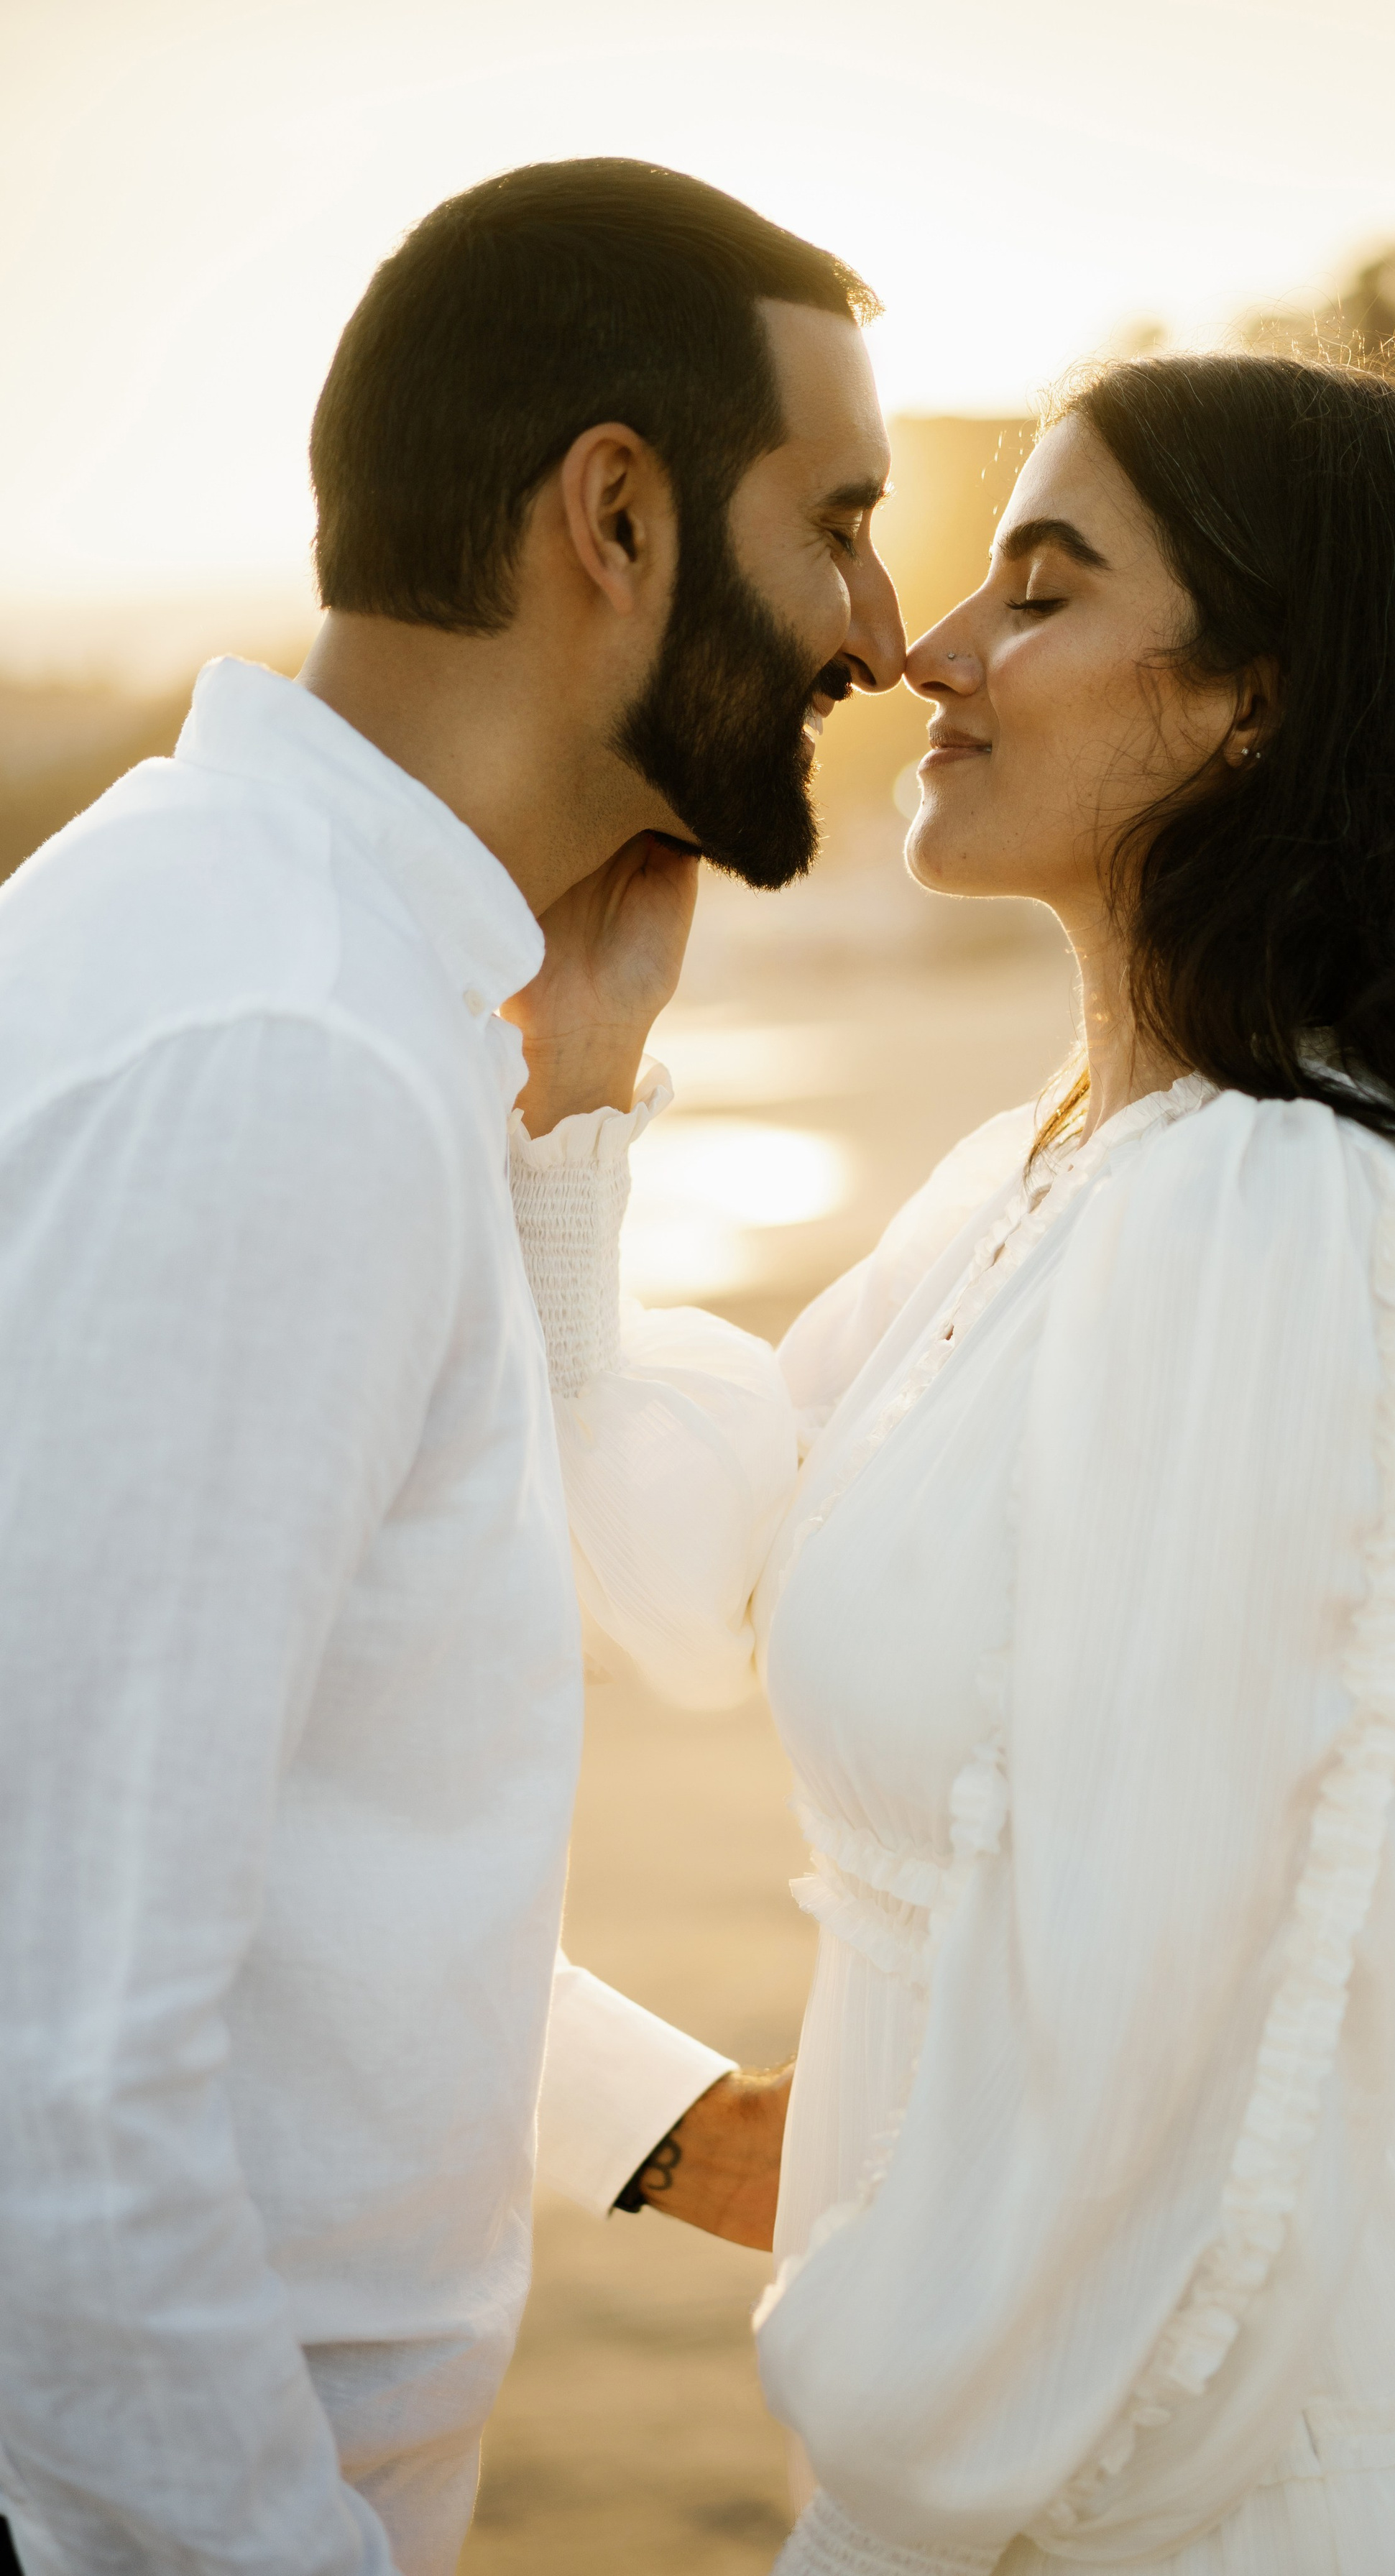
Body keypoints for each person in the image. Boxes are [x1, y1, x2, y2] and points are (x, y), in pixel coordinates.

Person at [502, 351, 1395, 2572]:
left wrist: (888, 2428)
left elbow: (1176, 2059)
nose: (929, 650)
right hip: (995, 2446)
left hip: (1184, 2492)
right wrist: (580, 1087)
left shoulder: (1283, 1215)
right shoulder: (1054, 1172)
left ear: (1257, 702)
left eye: (1042, 588)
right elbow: (674, 1572)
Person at [0, 160, 902, 2576]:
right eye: (835, 523)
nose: (882, 626)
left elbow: (245, 1816)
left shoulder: (252, 948)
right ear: (613, 513)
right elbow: (52, 2080)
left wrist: (664, 2123)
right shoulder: (278, 1058)